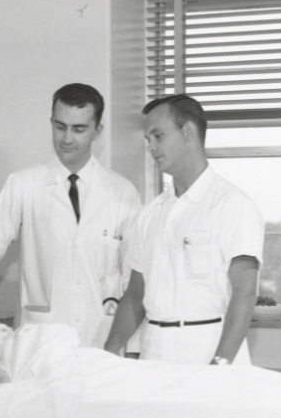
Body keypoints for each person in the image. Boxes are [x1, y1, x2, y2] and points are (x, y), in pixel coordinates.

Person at [0, 83, 142, 348]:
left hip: (102, 338)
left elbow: (134, 279)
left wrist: (130, 346)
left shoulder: (123, 192)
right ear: (51, 123)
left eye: (79, 129)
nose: (67, 138)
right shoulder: (23, 184)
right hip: (41, 339)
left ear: (98, 130)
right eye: (60, 127)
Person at [104, 94, 264, 365]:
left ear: (188, 131)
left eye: (158, 136)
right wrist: (106, 355)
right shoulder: (150, 215)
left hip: (210, 350)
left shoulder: (233, 205)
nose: (151, 147)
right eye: (147, 139)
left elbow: (245, 293)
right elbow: (135, 295)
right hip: (154, 352)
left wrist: (220, 364)